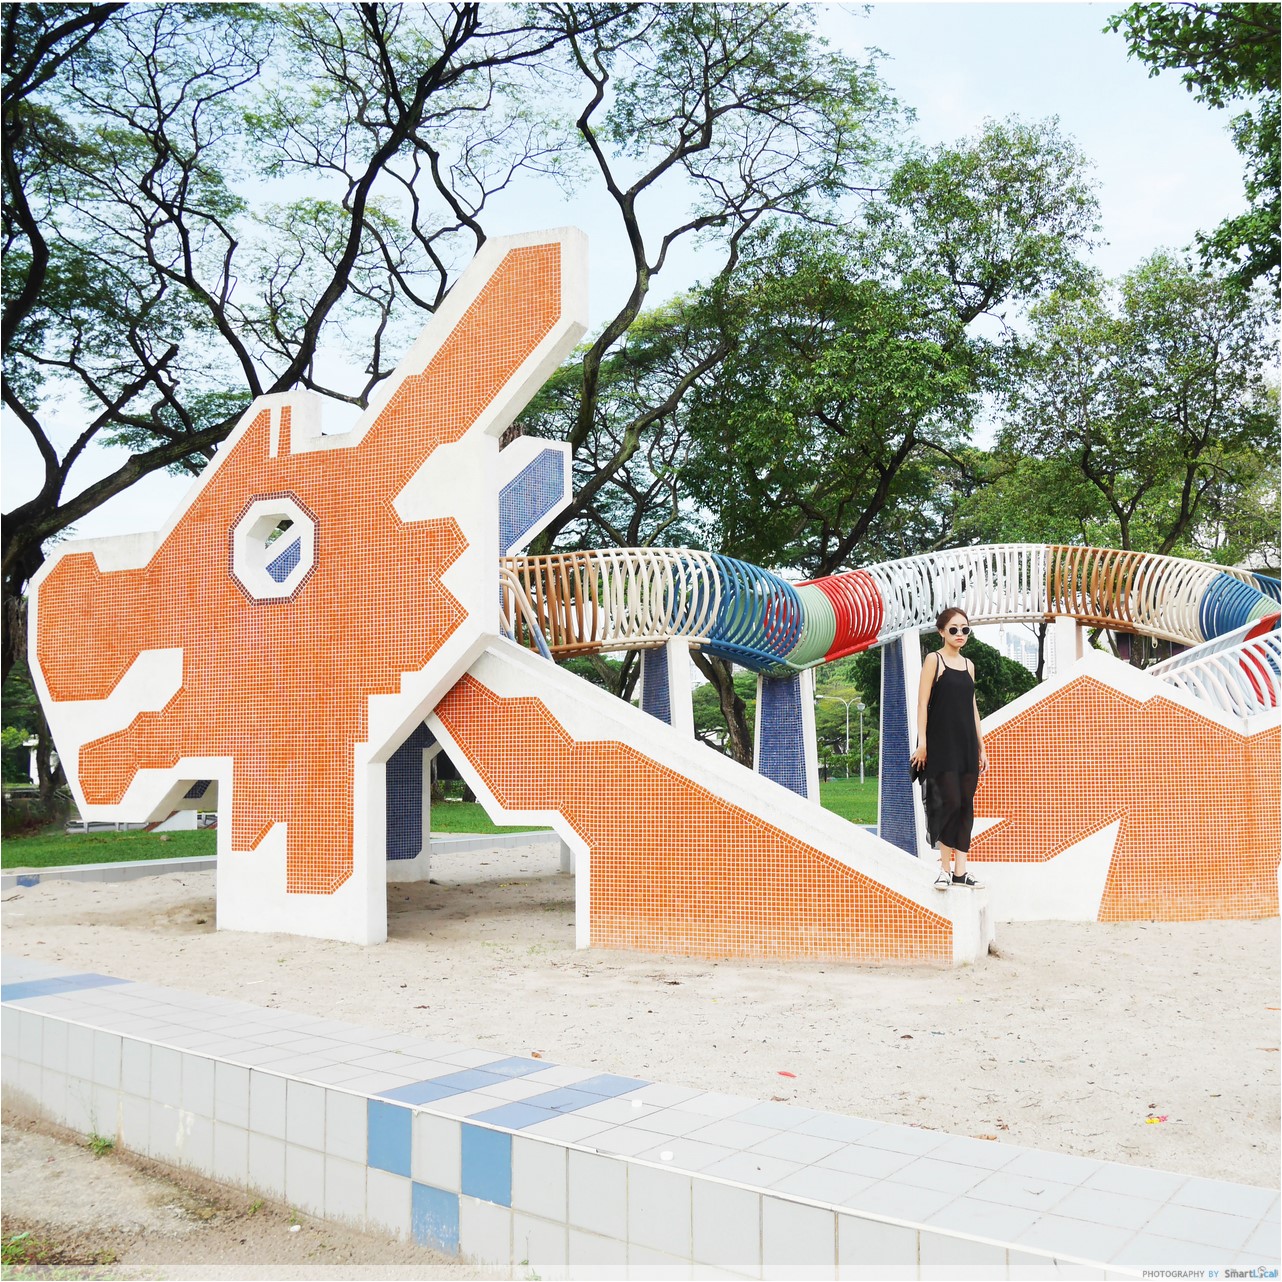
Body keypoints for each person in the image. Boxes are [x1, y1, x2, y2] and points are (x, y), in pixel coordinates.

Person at [909, 607, 988, 890]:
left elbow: (972, 707)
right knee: (949, 803)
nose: (960, 634)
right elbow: (922, 703)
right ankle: (944, 869)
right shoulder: (935, 659)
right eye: (954, 629)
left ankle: (960, 872)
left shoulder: (969, 665)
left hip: (966, 744)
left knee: (966, 805)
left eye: (965, 629)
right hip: (941, 744)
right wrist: (922, 742)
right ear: (942, 631)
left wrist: (981, 746)